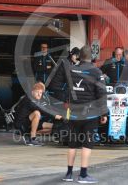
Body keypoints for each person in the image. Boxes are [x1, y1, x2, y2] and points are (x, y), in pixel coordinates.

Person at [49, 45, 108, 183]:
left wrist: (65, 98)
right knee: (87, 144)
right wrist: (104, 113)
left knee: (72, 144)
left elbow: (55, 85)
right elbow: (102, 95)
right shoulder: (96, 71)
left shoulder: (70, 68)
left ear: (79, 56)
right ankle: (83, 175)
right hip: (90, 114)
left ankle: (68, 174)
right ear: (92, 57)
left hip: (73, 112)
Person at [14, 82, 62, 146]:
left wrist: (61, 113)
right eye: (37, 92)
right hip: (21, 124)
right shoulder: (28, 99)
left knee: (54, 127)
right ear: (32, 92)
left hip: (29, 122)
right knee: (37, 113)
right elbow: (42, 110)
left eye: (41, 93)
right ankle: (32, 138)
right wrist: (55, 116)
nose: (39, 95)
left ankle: (27, 134)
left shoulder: (38, 99)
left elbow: (48, 108)